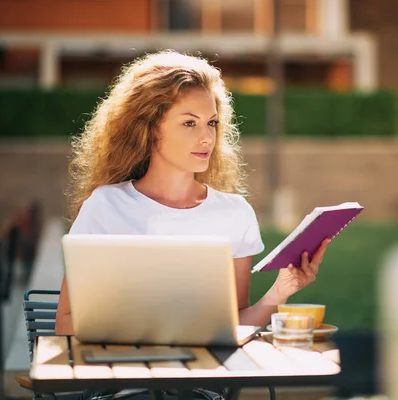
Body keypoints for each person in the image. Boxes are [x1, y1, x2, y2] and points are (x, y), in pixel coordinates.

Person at [54, 50, 330, 399]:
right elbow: (65, 325)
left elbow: (231, 327)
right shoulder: (106, 207)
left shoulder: (234, 214)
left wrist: (280, 291)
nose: (206, 138)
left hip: (198, 390)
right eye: (189, 123)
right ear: (150, 129)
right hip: (122, 388)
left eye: (211, 123)